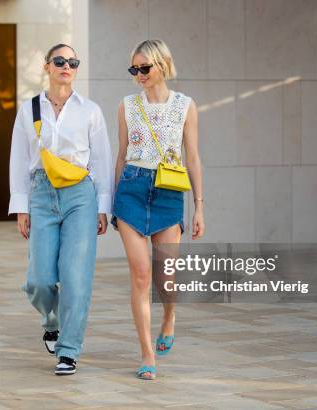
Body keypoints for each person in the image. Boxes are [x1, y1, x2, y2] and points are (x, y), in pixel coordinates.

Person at [8, 43, 113, 375]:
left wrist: (102, 207)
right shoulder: (29, 110)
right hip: (41, 193)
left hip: (80, 195)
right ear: (47, 66)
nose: (66, 66)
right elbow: (19, 160)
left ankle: (68, 350)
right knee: (39, 279)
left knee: (75, 276)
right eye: (60, 60)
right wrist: (21, 206)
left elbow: (102, 161)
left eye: (73, 62)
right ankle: (50, 319)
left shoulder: (90, 110)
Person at [111, 39, 205, 380]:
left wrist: (199, 206)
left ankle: (168, 317)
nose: (138, 75)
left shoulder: (185, 106)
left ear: (162, 65)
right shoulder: (126, 105)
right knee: (139, 275)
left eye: (144, 68)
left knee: (165, 277)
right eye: (133, 69)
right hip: (131, 191)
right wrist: (112, 203)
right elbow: (121, 155)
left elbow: (192, 157)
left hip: (168, 193)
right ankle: (147, 353)